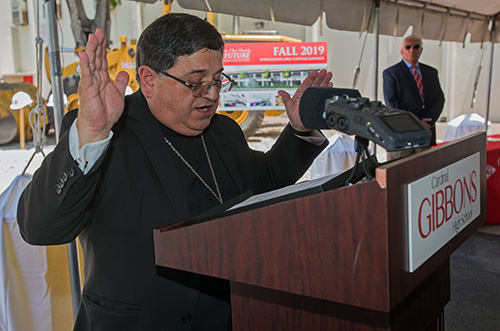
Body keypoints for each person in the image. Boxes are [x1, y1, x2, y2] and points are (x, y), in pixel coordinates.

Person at [17, 13, 332, 330]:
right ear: (149, 79)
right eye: (195, 83)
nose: (211, 95)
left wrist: (299, 131)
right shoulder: (103, 132)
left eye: (217, 80)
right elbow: (40, 228)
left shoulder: (224, 132)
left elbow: (263, 183)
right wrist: (90, 132)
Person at [383, 35, 445, 160]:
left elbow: (439, 99)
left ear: (421, 50)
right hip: (402, 137)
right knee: (399, 174)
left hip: (425, 135)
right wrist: (417, 121)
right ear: (402, 51)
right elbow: (392, 103)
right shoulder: (391, 73)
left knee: (423, 172)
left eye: (416, 46)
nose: (412, 50)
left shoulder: (431, 72)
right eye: (408, 46)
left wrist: (429, 121)